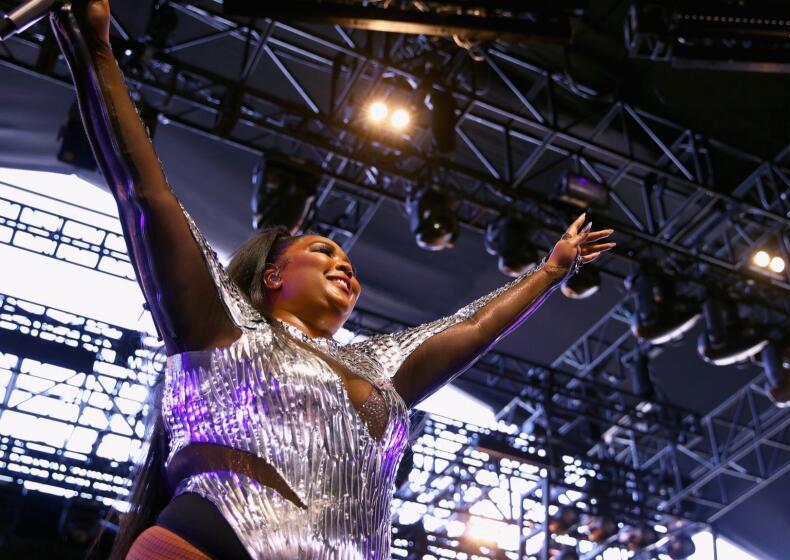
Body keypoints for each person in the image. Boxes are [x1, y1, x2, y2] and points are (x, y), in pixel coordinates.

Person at [50, 2, 616, 558]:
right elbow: (145, 193)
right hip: (214, 541)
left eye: (348, 261)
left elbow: (471, 327)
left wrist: (548, 271)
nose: (345, 264)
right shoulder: (220, 321)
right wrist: (94, 52)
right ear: (273, 276)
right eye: (323, 250)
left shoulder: (379, 365)